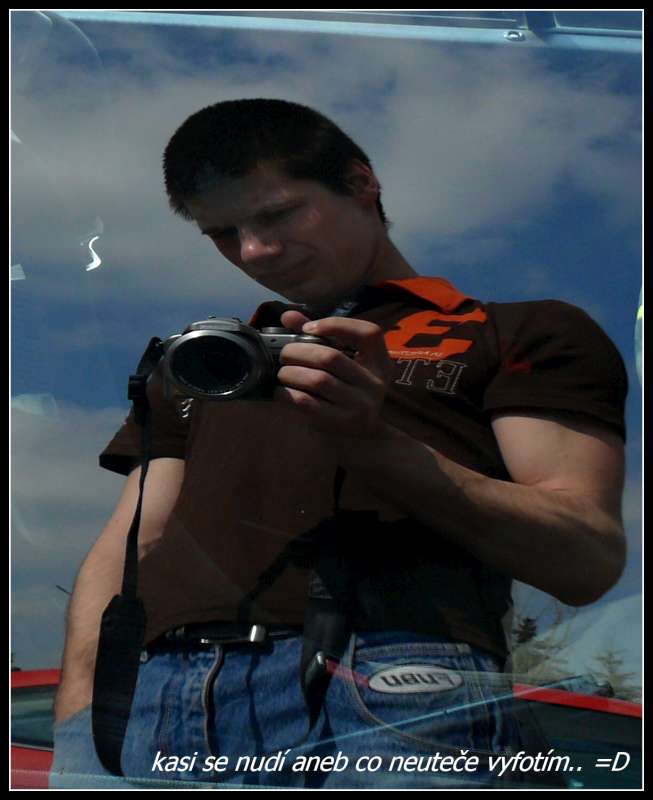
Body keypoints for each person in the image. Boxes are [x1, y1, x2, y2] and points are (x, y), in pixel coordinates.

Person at [49, 98, 628, 789]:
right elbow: (133, 540)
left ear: (360, 183)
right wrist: (81, 714)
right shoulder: (205, 360)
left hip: (399, 684)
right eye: (223, 233)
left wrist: (375, 442)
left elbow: (585, 558)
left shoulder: (517, 331)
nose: (254, 251)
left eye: (278, 214)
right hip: (159, 696)